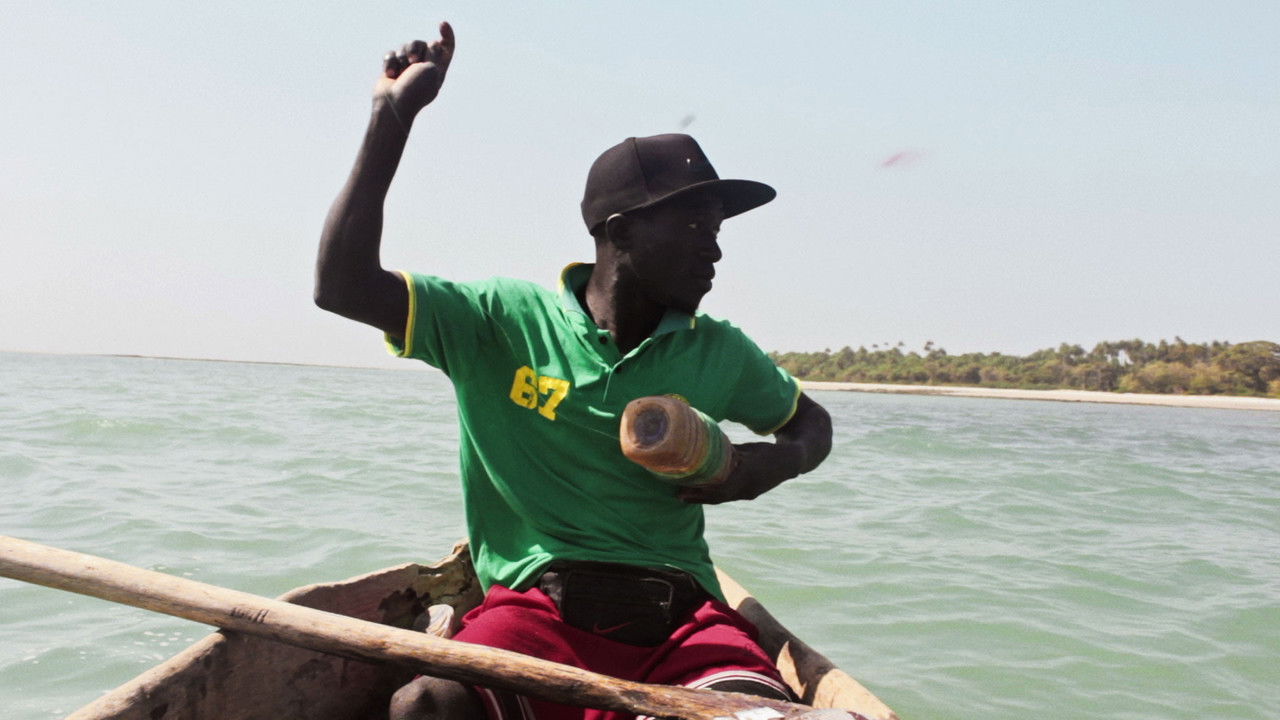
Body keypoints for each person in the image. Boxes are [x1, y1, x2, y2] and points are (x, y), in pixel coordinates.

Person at [314, 22, 834, 720]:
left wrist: (766, 467)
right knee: (425, 707)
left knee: (758, 717)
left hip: (680, 623)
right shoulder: (499, 321)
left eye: (717, 230)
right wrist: (391, 118)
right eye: (694, 227)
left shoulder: (718, 349)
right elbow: (341, 285)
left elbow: (814, 425)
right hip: (537, 620)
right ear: (620, 233)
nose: (715, 250)